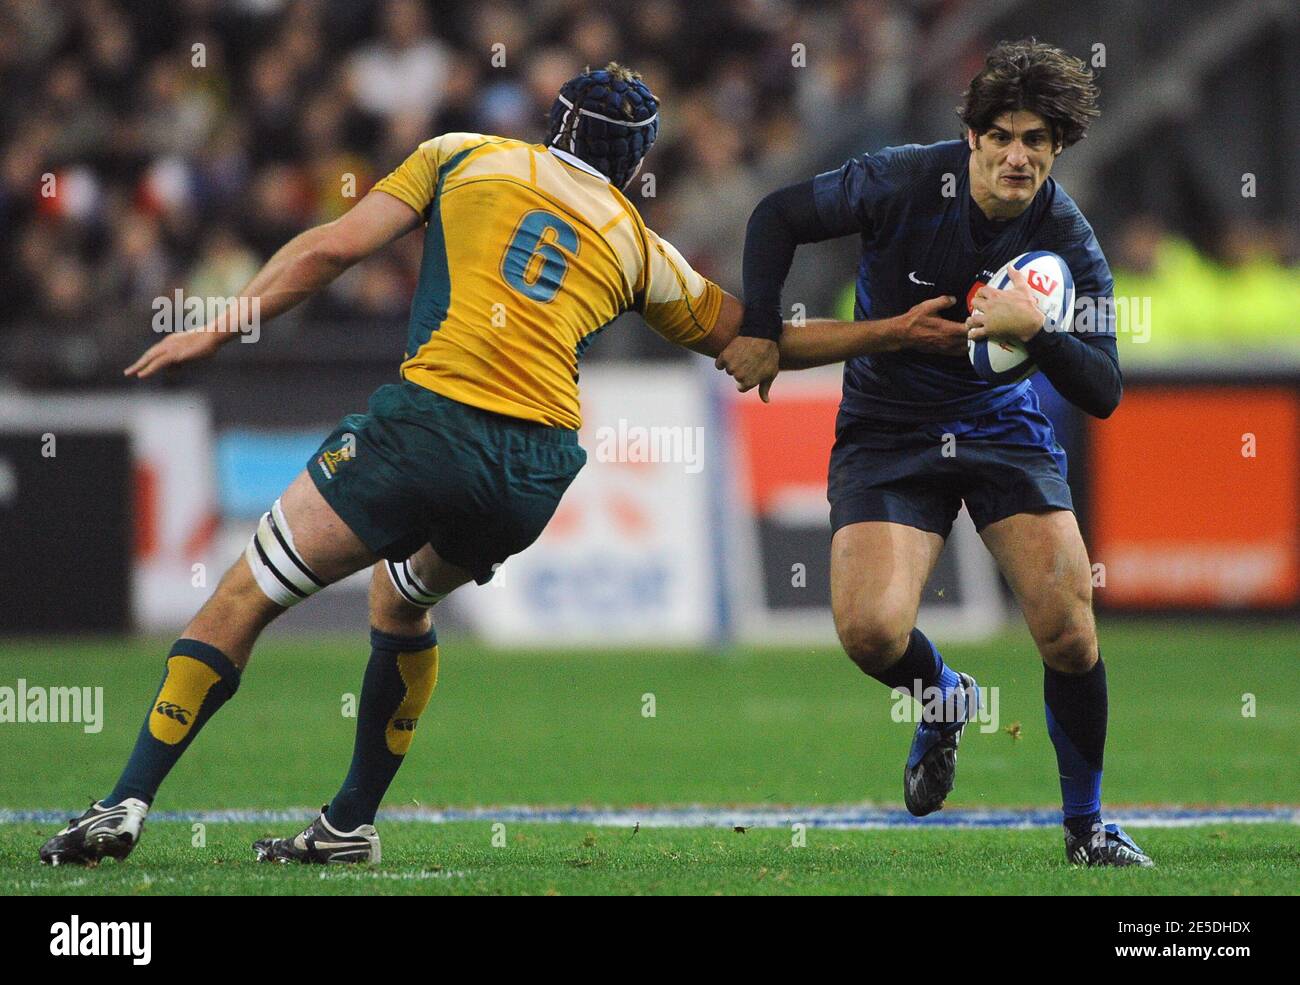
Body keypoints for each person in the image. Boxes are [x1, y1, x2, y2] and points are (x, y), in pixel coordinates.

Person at [39, 64, 966, 866]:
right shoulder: (638, 244)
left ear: (553, 123)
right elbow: (755, 342)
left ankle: (125, 800)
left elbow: (330, 248)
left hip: (432, 424)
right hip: (533, 469)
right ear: (633, 163)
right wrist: (892, 331)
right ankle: (349, 824)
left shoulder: (461, 153)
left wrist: (225, 322)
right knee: (402, 600)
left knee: (242, 595)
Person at [716, 39, 1151, 867]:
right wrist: (765, 330)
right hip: (887, 427)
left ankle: (1088, 827)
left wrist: (1040, 332)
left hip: (1000, 427)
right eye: (1002, 136)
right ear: (972, 138)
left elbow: (1103, 390)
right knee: (872, 633)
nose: (1018, 155)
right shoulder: (904, 180)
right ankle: (945, 696)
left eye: (1037, 140)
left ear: (1059, 149)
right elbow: (777, 215)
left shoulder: (1069, 240)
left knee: (1068, 631)